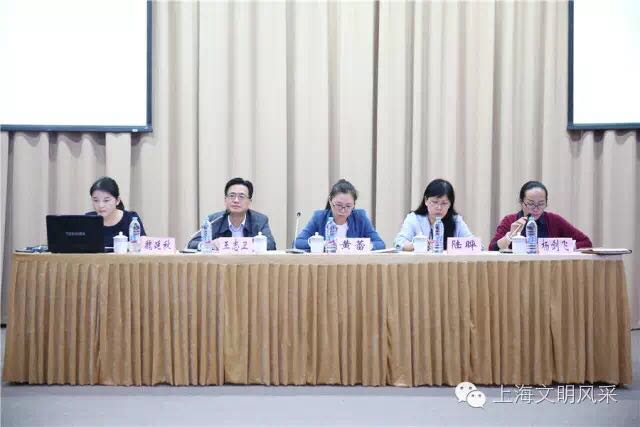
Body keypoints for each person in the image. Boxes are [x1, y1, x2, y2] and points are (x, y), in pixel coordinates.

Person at [489, 180, 592, 250]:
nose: (536, 208)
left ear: (546, 203)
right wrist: (509, 236)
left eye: (541, 204)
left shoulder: (554, 220)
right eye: (531, 204)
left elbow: (585, 242)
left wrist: (555, 247)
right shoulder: (510, 220)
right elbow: (492, 248)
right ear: (521, 202)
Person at [186, 177, 276, 250]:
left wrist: (245, 244)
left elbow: (271, 245)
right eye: (232, 196)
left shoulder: (260, 220)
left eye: (241, 196)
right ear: (225, 200)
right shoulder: (214, 220)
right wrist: (210, 244)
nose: (236, 200)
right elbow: (192, 243)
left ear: (249, 202)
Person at [294, 179, 385, 251]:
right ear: (330, 201)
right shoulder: (319, 218)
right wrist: (323, 244)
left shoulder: (360, 217)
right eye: (338, 205)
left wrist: (363, 246)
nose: (343, 210)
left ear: (354, 205)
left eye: (348, 206)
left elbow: (380, 244)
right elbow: (298, 242)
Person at [394, 178, 474, 251]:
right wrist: (416, 245)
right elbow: (398, 242)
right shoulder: (414, 219)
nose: (439, 207)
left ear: (450, 204)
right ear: (426, 200)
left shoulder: (456, 221)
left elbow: (474, 244)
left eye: (444, 203)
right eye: (435, 202)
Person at [86, 176, 146, 248]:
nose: (101, 205)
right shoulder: (87, 219)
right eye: (96, 200)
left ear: (117, 200)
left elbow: (143, 247)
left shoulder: (131, 219)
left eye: (106, 200)